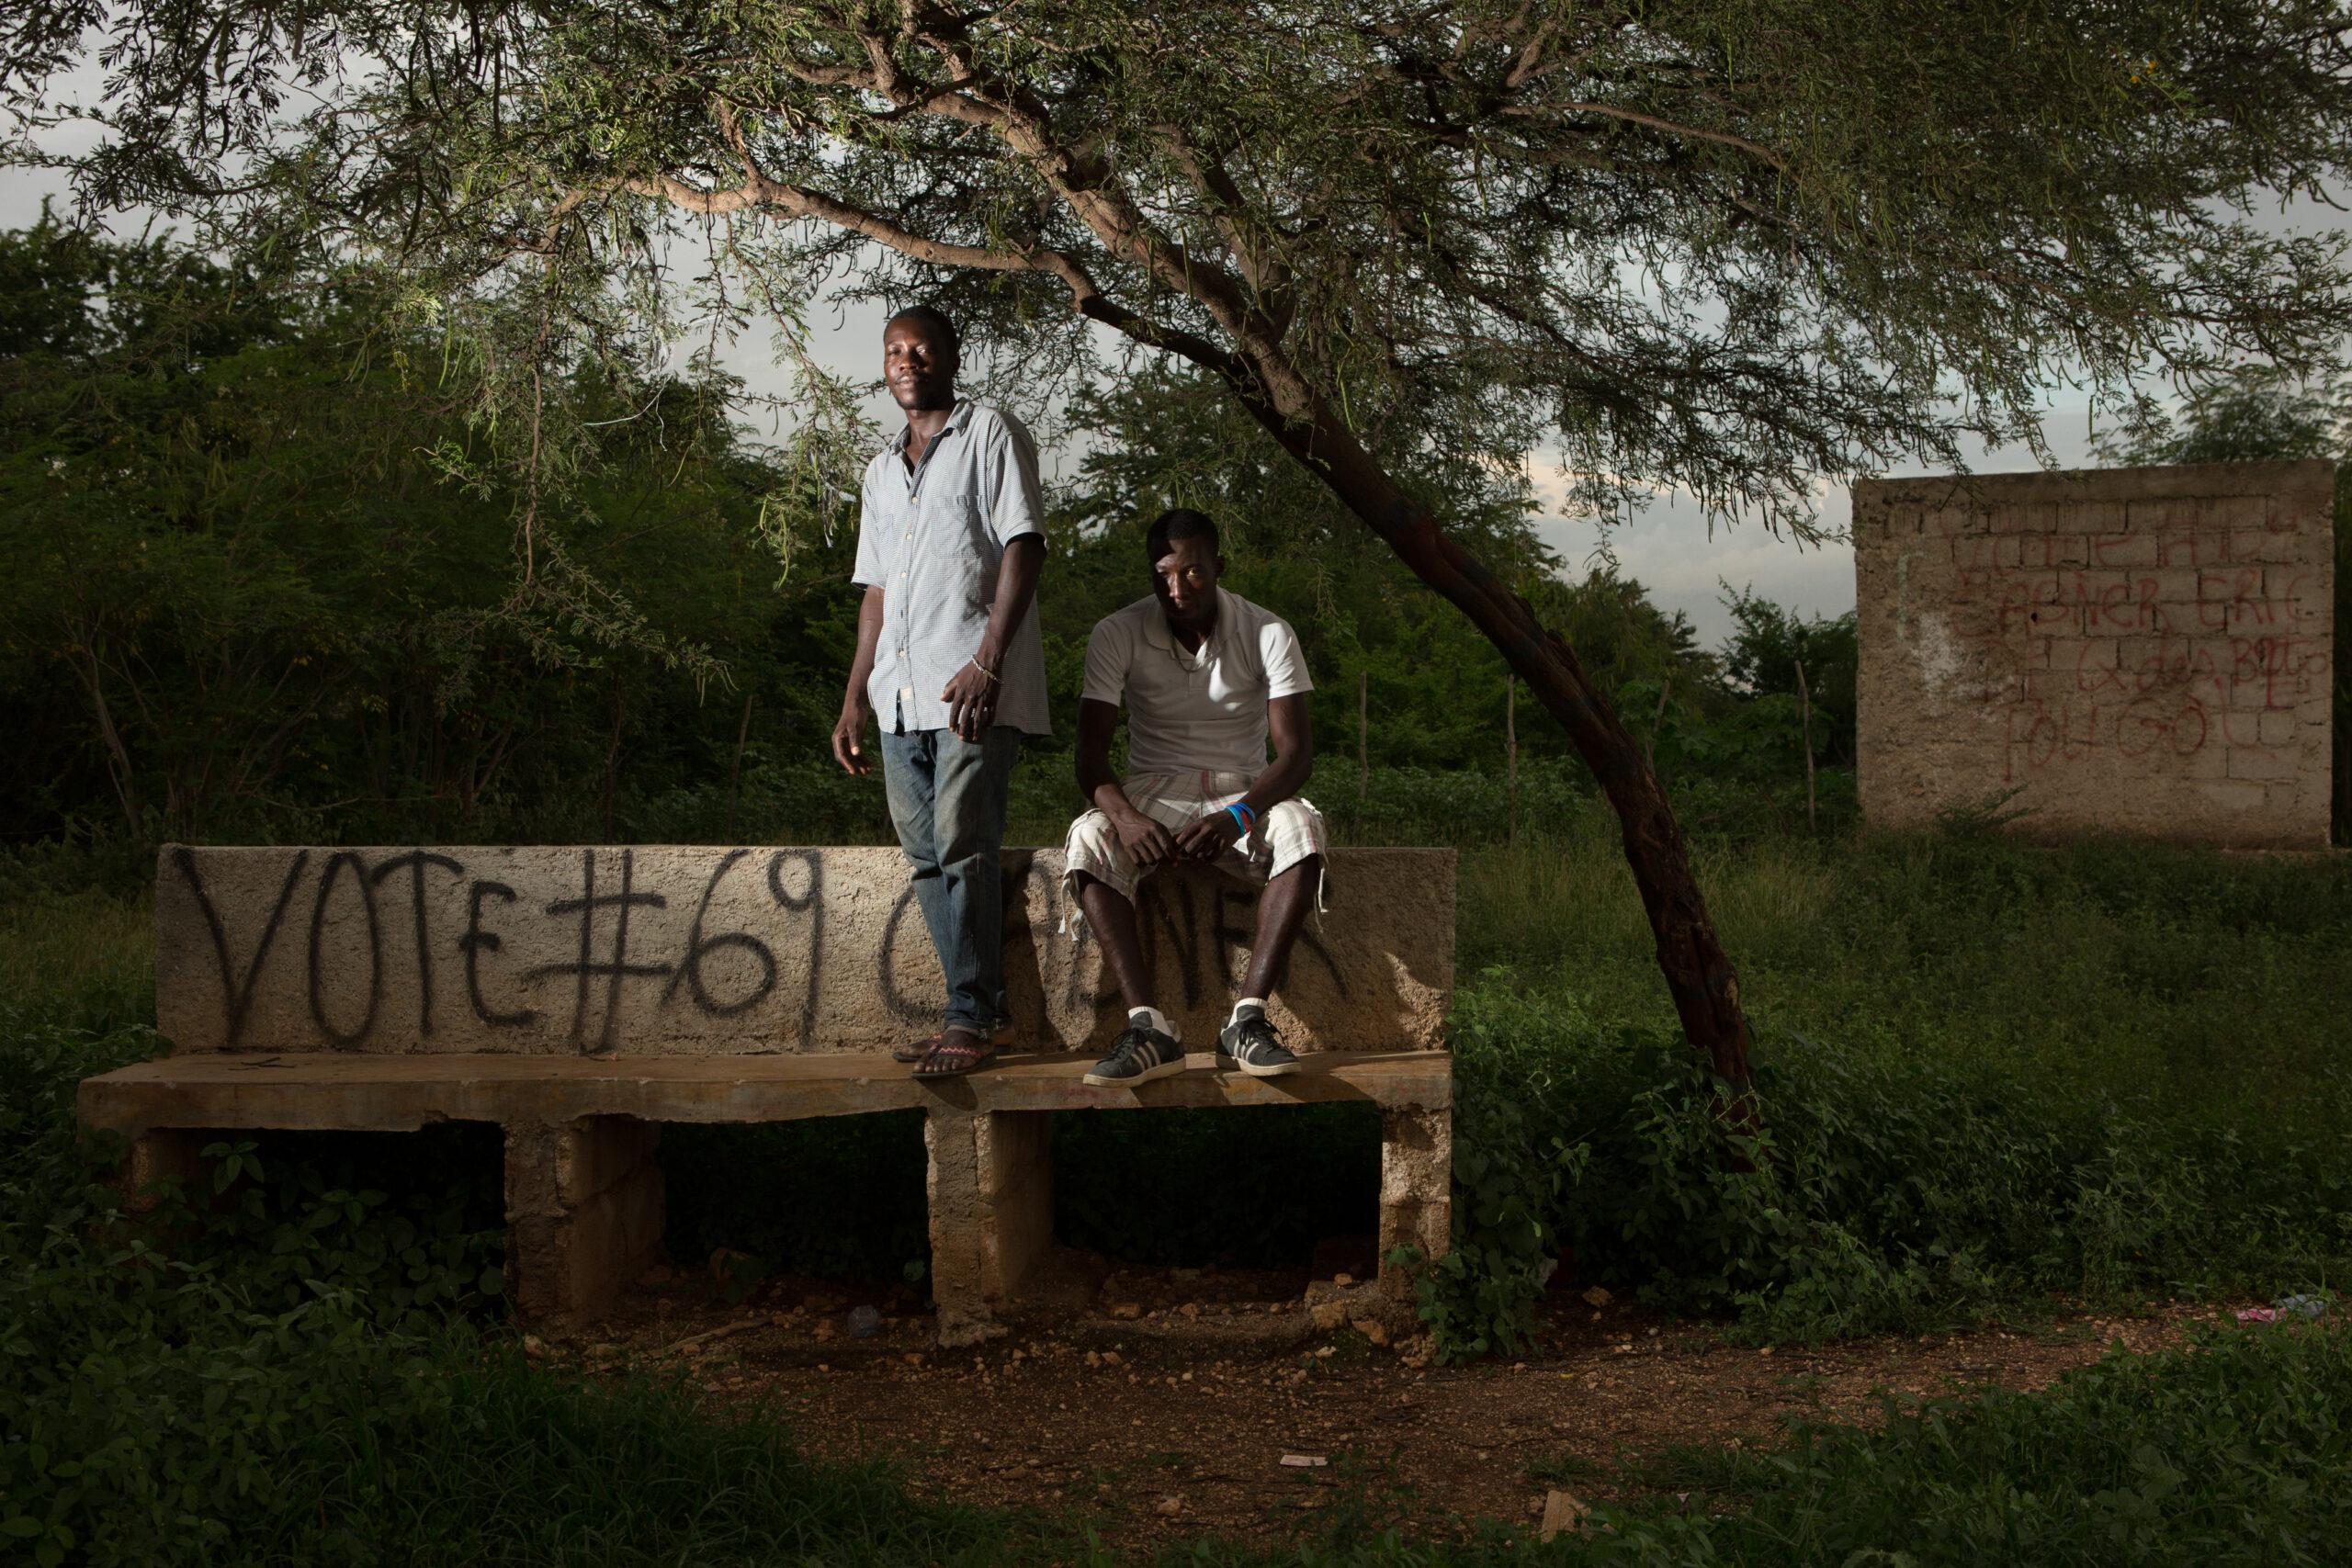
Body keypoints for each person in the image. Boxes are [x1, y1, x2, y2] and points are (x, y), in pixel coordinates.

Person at [831, 305, 1048, 1078]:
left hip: (971, 687)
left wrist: (989, 661)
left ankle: (969, 1015)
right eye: (895, 349)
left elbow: (1024, 544)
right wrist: (855, 694)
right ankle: (984, 1012)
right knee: (925, 856)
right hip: (898, 692)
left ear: (952, 356)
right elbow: (876, 591)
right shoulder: (880, 471)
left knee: (963, 843)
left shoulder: (991, 434)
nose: (907, 360)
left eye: (922, 348)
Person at [1062, 508, 1328, 1085]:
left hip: (1243, 787)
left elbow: (1296, 755)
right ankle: (1148, 1028)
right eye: (1162, 574)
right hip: (1154, 789)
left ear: (1218, 567)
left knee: (1302, 830)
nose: (1177, 588)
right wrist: (1126, 820)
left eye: (1192, 572)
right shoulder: (1117, 632)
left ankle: (1247, 1022)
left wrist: (1240, 814)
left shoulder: (1268, 631)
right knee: (1089, 837)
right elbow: (1089, 757)